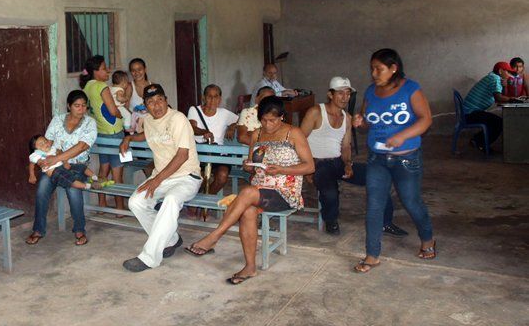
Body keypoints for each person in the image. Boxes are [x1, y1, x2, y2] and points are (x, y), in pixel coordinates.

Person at [185, 97, 314, 284]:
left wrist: (282, 169)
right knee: (247, 210)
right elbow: (252, 167)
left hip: (285, 191)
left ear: (282, 117)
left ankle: (214, 236)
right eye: (264, 120)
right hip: (260, 188)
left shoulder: (293, 133)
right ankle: (250, 267)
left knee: (247, 192)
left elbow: (309, 166)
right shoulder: (257, 135)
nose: (268, 125)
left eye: (273, 120)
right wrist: (249, 166)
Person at [352, 49, 436, 273]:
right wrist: (361, 122)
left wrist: (403, 136)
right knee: (374, 206)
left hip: (406, 159)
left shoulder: (411, 89)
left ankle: (427, 240)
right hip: (377, 159)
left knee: (411, 202)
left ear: (393, 68)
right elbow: (369, 123)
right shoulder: (371, 92)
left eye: (379, 68)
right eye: (372, 68)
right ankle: (372, 255)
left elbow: (425, 119)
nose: (374, 73)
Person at [300, 77, 406, 237]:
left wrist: (348, 164)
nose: (345, 97)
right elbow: (299, 140)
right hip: (317, 163)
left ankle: (386, 223)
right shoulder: (316, 112)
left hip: (337, 162)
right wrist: (307, 169)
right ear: (330, 94)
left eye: (348, 94)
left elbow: (345, 146)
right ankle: (331, 220)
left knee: (378, 177)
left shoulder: (347, 118)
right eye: (340, 93)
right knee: (330, 192)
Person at [120, 84, 202, 272]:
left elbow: (182, 156)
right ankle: (171, 239)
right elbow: (146, 135)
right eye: (150, 102)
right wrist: (129, 139)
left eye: (159, 100)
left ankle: (149, 257)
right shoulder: (148, 120)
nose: (156, 106)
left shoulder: (178, 119)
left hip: (187, 176)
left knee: (171, 201)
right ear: (145, 105)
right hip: (162, 177)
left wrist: (156, 180)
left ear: (166, 100)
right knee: (136, 202)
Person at [26, 90, 97, 246]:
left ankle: (79, 229)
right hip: (54, 166)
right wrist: (42, 161)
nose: (81, 109)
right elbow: (46, 143)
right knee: (42, 188)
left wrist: (56, 158)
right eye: (77, 105)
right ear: (69, 106)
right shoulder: (57, 120)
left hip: (77, 165)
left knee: (73, 190)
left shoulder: (89, 123)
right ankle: (38, 229)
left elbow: (82, 146)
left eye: (84, 106)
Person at [80, 55, 125, 213]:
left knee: (103, 169)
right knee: (117, 172)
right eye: (104, 68)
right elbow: (113, 110)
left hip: (100, 133)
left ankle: (102, 205)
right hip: (113, 132)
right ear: (95, 71)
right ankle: (120, 209)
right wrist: (122, 116)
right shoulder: (101, 86)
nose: (108, 71)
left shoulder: (86, 88)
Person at [187, 84, 239, 194]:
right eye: (209, 96)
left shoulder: (224, 113)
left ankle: (204, 200)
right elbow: (192, 127)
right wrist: (204, 132)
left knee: (222, 176)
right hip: (199, 154)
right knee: (197, 180)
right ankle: (197, 203)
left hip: (218, 155)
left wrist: (232, 126)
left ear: (220, 99)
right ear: (204, 98)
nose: (212, 100)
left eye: (216, 96)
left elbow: (240, 120)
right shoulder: (195, 110)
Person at [463, 61, 515, 151]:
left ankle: (477, 140)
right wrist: (513, 99)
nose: (509, 75)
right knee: (499, 123)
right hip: (470, 114)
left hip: (469, 112)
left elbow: (500, 96)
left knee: (495, 122)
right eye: (508, 71)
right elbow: (498, 98)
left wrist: (505, 86)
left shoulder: (492, 77)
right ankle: (480, 143)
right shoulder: (494, 79)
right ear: (500, 71)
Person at [28, 134, 104, 191]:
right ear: (36, 149)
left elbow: (61, 154)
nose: (45, 144)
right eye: (41, 144)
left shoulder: (53, 148)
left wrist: (65, 162)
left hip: (63, 167)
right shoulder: (36, 154)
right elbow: (32, 164)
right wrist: (32, 175)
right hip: (55, 172)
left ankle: (95, 178)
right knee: (70, 181)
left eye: (45, 141)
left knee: (81, 167)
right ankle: (88, 186)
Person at [127, 58, 153, 133]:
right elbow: (125, 108)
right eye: (133, 70)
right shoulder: (129, 87)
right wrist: (136, 118)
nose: (137, 73)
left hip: (152, 127)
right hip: (135, 129)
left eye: (139, 69)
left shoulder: (153, 86)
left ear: (145, 69)